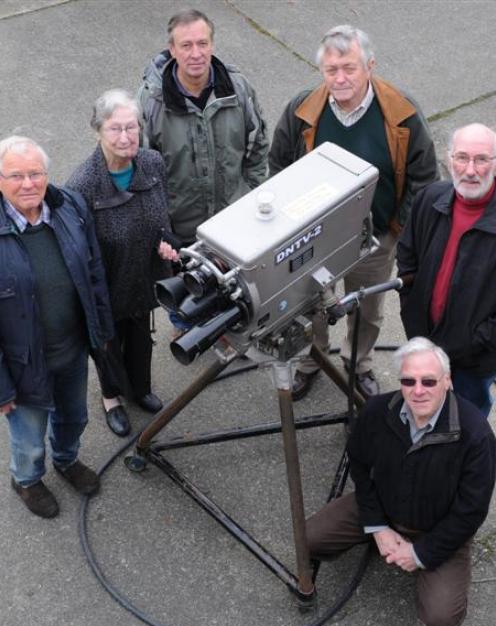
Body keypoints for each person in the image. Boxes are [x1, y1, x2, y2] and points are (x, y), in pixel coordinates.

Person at [269, 24, 438, 401]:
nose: (340, 78)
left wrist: (399, 229)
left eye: (350, 68)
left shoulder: (402, 112)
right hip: (314, 240)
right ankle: (313, 361)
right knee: (310, 304)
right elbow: (278, 165)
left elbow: (425, 177)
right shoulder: (301, 109)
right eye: (332, 70)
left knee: (367, 308)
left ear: (370, 66)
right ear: (322, 71)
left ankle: (357, 365)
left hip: (375, 238)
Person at [306, 337, 495, 626]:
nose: (418, 391)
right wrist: (377, 526)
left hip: (438, 528)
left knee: (441, 617)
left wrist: (420, 554)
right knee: (308, 539)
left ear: (448, 382)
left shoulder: (476, 435)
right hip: (382, 506)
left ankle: (425, 560)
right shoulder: (376, 411)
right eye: (408, 380)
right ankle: (379, 538)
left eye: (429, 381)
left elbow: (470, 511)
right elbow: (359, 464)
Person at [0, 136, 114, 518]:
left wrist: (101, 332)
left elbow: (94, 271)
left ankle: (66, 460)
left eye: (36, 173)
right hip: (22, 365)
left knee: (74, 417)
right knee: (29, 438)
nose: (28, 183)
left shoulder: (70, 207)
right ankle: (27, 479)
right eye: (16, 175)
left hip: (71, 348)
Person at [67, 89, 178, 437]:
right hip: (105, 283)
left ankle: (139, 388)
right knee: (107, 345)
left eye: (132, 127)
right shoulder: (82, 185)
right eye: (115, 129)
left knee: (141, 338)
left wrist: (167, 243)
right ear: (98, 132)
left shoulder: (152, 163)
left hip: (142, 277)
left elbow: (162, 216)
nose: (126, 137)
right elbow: (76, 250)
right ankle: (112, 397)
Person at [138, 8, 269, 248]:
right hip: (183, 236)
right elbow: (142, 173)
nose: (196, 53)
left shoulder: (238, 89)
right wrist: (163, 226)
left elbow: (258, 145)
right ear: (172, 50)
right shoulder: (151, 103)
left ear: (212, 46)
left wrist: (249, 195)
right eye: (186, 45)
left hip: (235, 223)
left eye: (202, 43)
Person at [397, 123, 496, 417]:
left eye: (481, 159)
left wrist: (471, 344)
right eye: (462, 157)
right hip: (422, 344)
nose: (470, 170)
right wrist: (414, 323)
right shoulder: (430, 198)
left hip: (473, 361)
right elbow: (407, 258)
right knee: (422, 412)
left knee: (466, 420)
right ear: (449, 158)